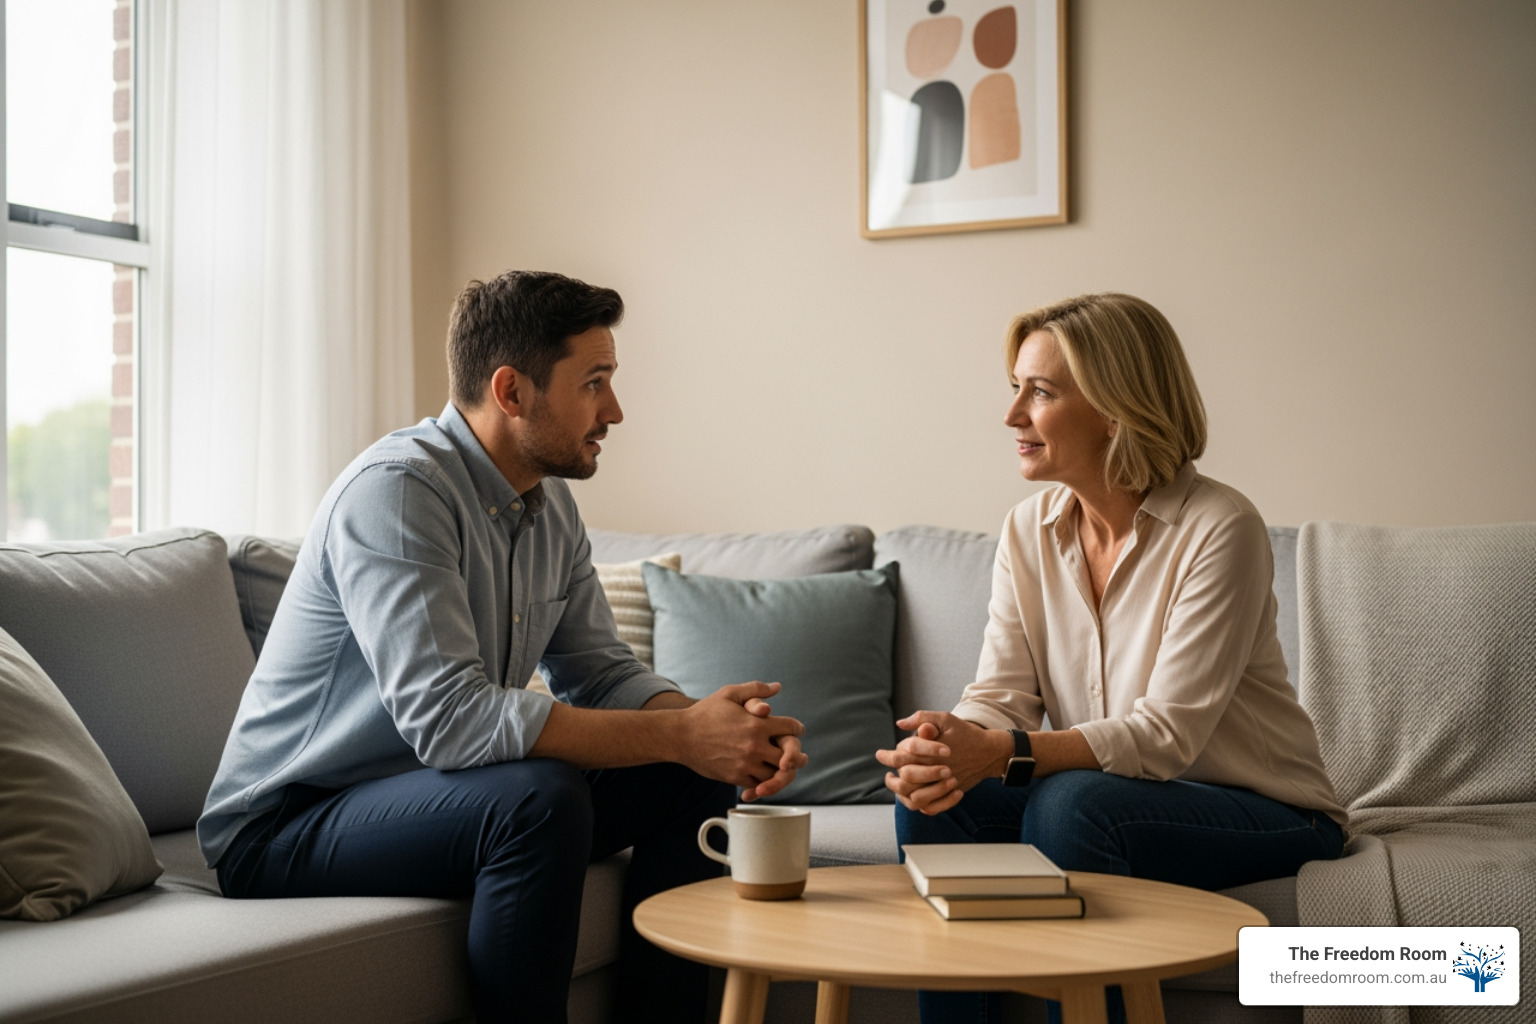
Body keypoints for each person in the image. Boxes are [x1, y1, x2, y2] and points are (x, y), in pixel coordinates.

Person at [197, 270, 807, 1024]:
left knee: (688, 777)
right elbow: (451, 721)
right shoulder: (397, 492)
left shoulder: (550, 508)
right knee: (537, 797)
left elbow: (598, 670)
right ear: (513, 391)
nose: (614, 410)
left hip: (435, 793)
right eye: (594, 383)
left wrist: (711, 729)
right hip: (290, 823)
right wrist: (680, 731)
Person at [876, 293, 1346, 1024]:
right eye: (1016, 389)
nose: (1013, 417)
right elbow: (1000, 693)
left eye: (1042, 392)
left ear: (1116, 407)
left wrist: (1000, 751)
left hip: (1263, 807)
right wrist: (951, 744)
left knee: (1073, 804)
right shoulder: (1027, 529)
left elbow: (1166, 736)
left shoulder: (1221, 527)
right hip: (1113, 794)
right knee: (939, 794)